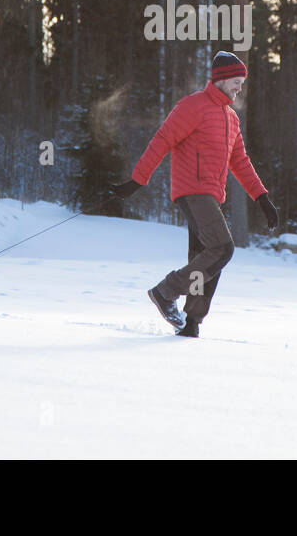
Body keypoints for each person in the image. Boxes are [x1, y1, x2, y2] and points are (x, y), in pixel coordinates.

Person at [112, 51, 278, 338]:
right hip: (192, 191)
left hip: (212, 196)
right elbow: (162, 139)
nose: (240, 88)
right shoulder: (192, 107)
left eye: (242, 82)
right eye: (237, 81)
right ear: (222, 79)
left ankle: (191, 324)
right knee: (222, 249)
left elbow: (240, 162)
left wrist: (262, 198)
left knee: (205, 259)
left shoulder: (231, 119)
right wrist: (138, 180)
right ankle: (166, 291)